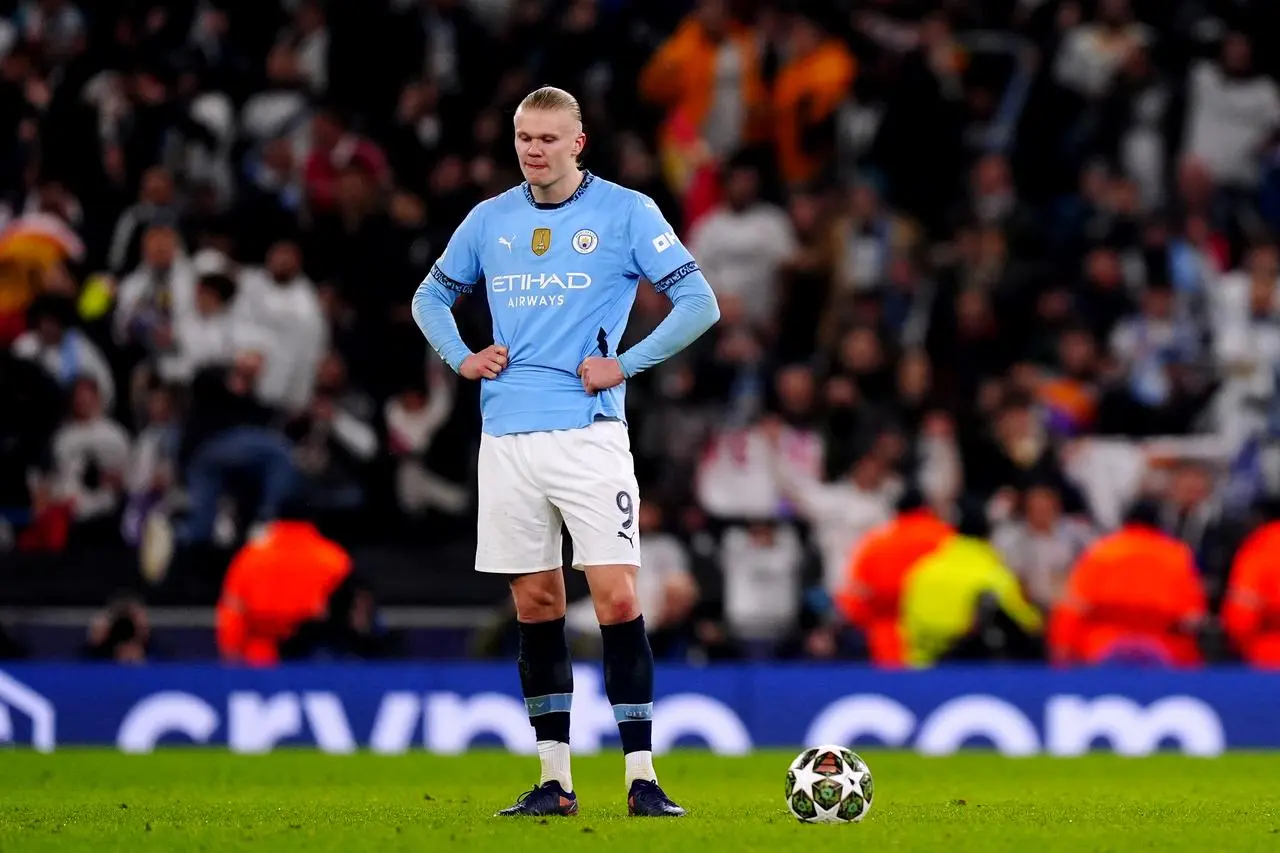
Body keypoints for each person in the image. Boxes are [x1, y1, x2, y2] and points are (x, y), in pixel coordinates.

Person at [412, 86, 719, 818]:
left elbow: (700, 302)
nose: (533, 149)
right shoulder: (490, 219)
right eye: (524, 136)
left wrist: (626, 364)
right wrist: (460, 354)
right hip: (507, 434)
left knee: (615, 595)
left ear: (579, 142)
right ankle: (555, 780)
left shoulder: (626, 212)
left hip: (588, 434)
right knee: (537, 601)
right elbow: (429, 297)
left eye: (548, 137)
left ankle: (642, 778)